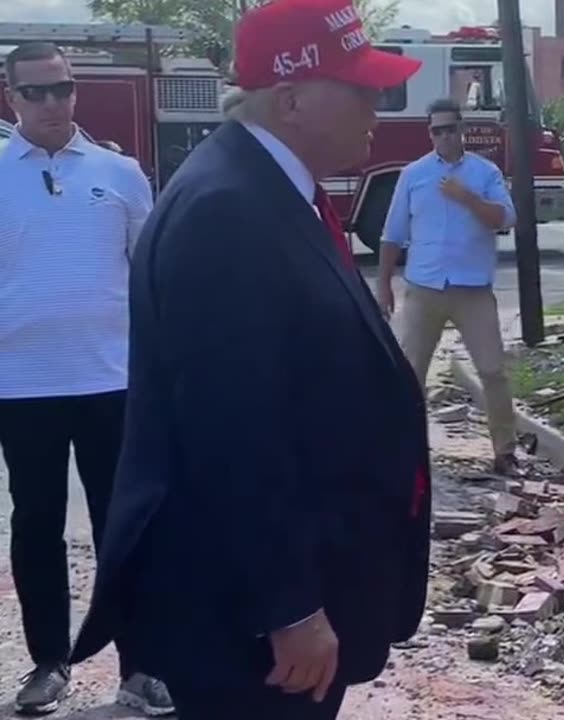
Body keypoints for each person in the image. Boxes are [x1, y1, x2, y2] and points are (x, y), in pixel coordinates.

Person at [67, 2, 432, 719]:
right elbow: (233, 435)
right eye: (361, 87)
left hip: (272, 594)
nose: (377, 105)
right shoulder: (227, 211)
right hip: (243, 619)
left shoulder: (267, 191)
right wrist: (289, 607)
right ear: (290, 99)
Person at [0, 41, 172, 716]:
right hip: (21, 386)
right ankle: (48, 664)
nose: (52, 102)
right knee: (36, 524)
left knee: (123, 526)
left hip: (111, 382)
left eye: (62, 88)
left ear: (77, 91)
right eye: (36, 91)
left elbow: (151, 280)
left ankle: (142, 667)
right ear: (10, 95)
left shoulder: (121, 173)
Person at [376, 97, 521, 476]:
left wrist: (467, 198)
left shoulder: (484, 173)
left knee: (492, 371)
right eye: (436, 130)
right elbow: (392, 234)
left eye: (450, 128)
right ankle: (406, 454)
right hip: (423, 289)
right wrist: (384, 285)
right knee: (410, 375)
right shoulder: (413, 174)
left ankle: (505, 452)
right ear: (429, 133)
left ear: (462, 130)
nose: (443, 136)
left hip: (472, 290)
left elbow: (505, 218)